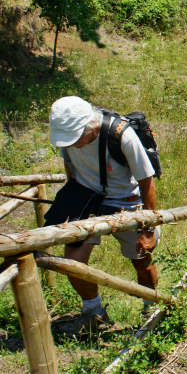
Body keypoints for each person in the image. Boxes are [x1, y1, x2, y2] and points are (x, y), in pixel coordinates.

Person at [47, 96, 160, 326]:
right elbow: (72, 171)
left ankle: (151, 306)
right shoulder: (68, 142)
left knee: (141, 261)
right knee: (73, 263)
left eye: (76, 138)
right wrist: (74, 202)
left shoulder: (122, 135)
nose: (72, 144)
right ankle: (94, 313)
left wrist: (148, 228)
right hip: (88, 201)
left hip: (127, 203)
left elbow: (146, 181)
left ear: (89, 126)